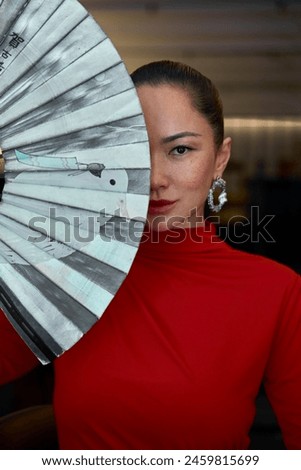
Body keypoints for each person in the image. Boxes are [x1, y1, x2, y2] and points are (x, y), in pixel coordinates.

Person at [0, 60, 301, 450]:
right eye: (136, 150)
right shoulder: (64, 272)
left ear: (220, 159)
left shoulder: (277, 291)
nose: (155, 177)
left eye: (180, 149)